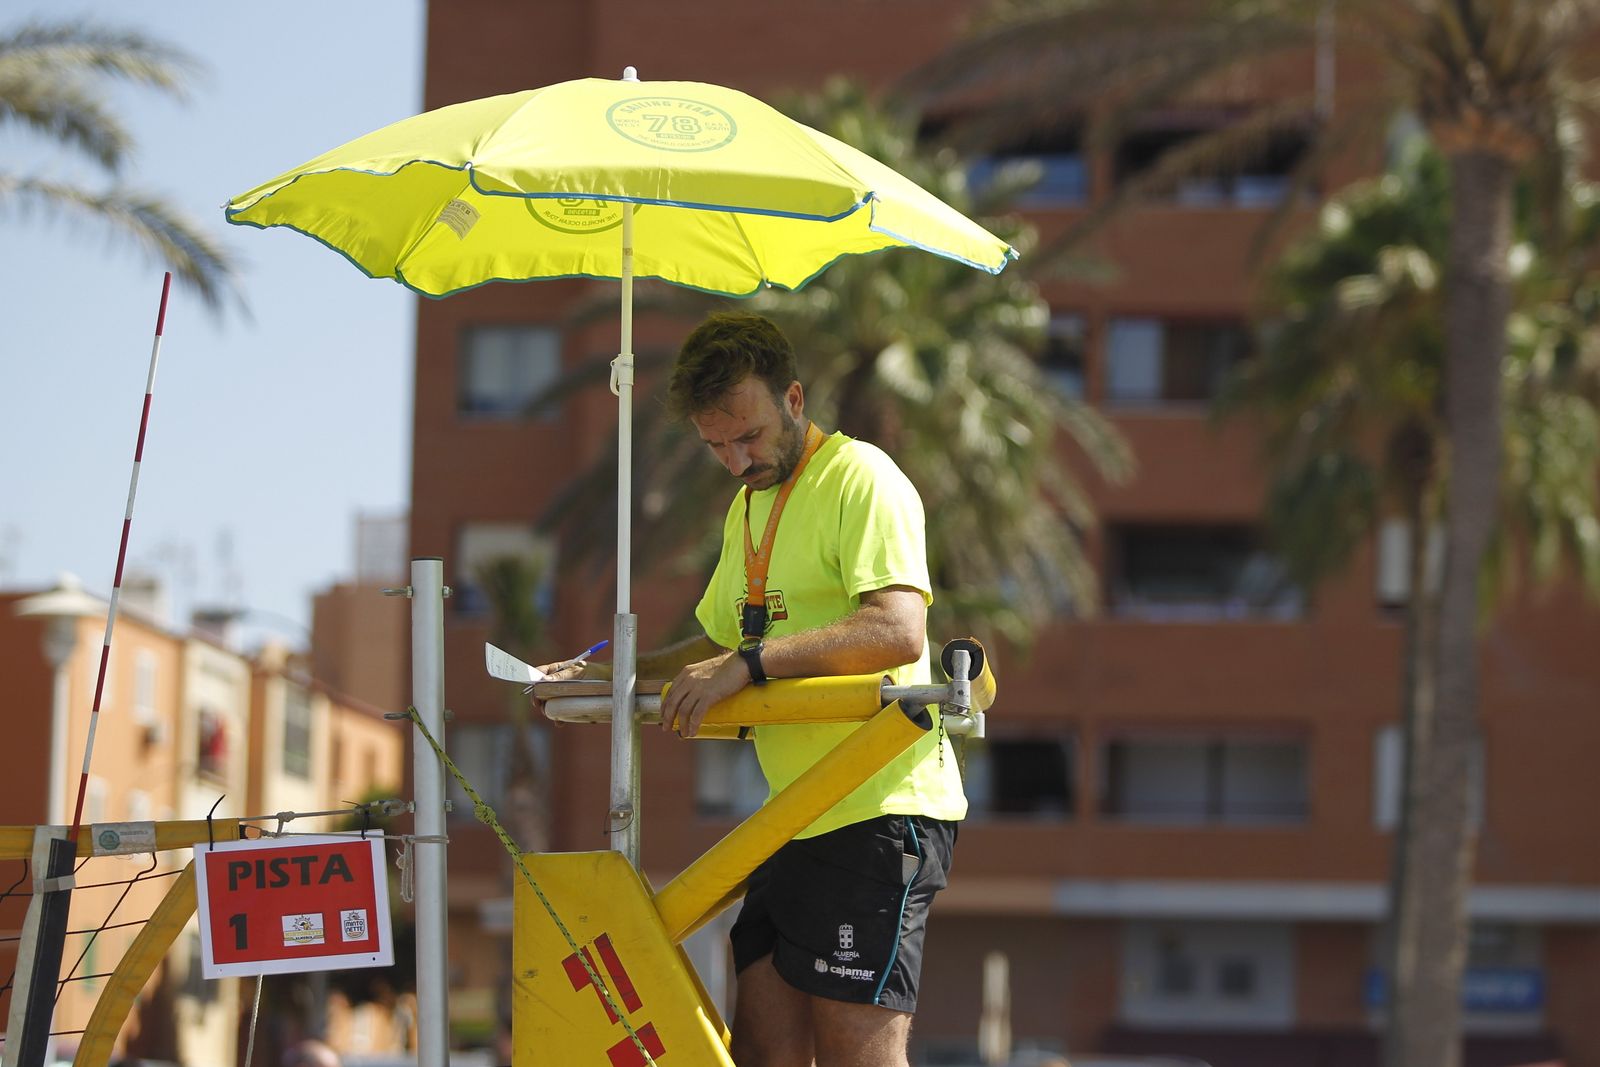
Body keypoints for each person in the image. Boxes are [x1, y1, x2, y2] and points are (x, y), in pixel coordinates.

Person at [540, 312, 965, 1067]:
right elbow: (712, 643)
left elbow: (897, 629)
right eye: (717, 445)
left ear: (794, 398)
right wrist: (608, 674)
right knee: (761, 1048)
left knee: (854, 1054)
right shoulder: (751, 504)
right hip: (793, 817)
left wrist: (754, 662)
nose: (738, 460)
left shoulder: (861, 476)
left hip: (878, 810)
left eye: (751, 435)